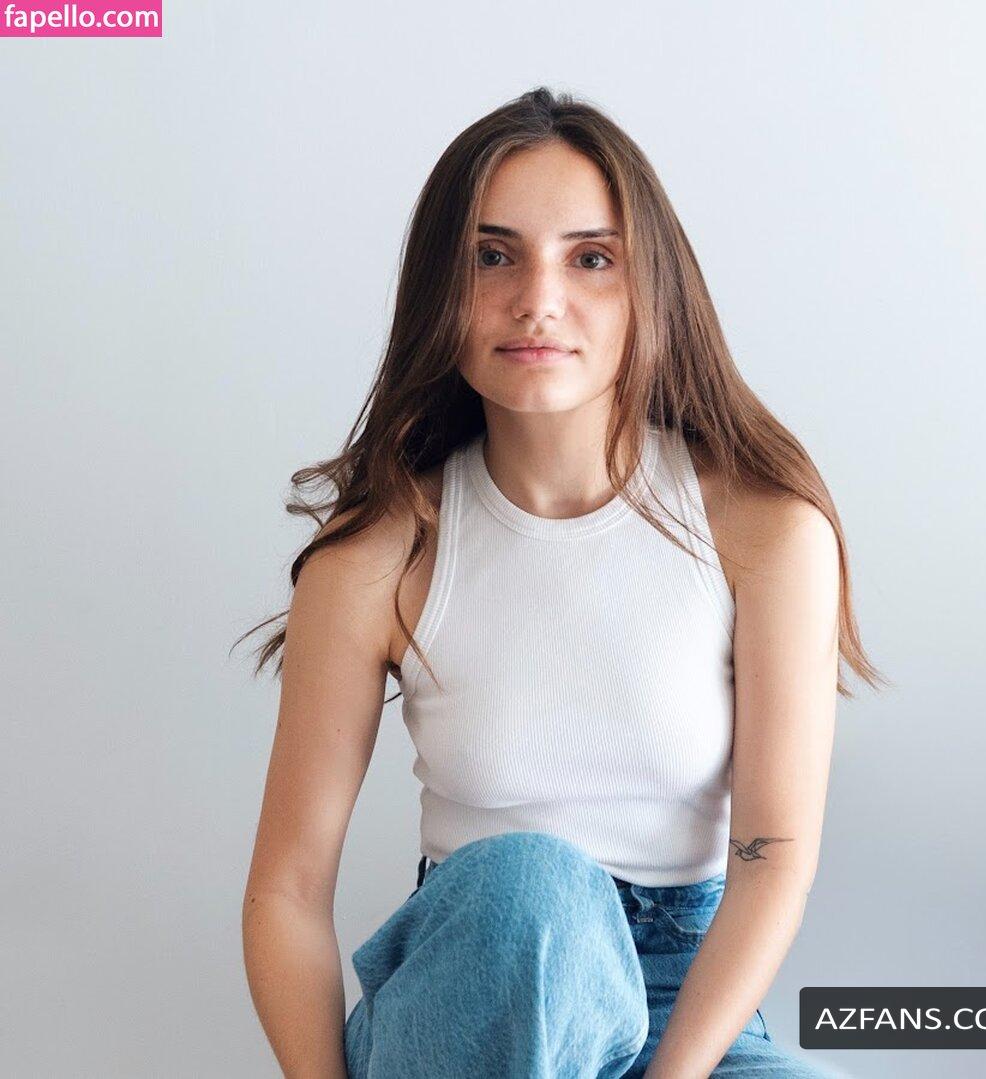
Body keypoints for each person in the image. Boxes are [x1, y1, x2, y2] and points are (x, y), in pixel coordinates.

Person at [239, 86, 884, 1078]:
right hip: (479, 988)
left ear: (649, 286)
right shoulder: (378, 557)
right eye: (492, 256)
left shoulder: (766, 531)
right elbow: (285, 890)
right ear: (439, 287)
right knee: (533, 888)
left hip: (685, 1002)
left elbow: (774, 857)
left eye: (590, 258)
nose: (538, 299)